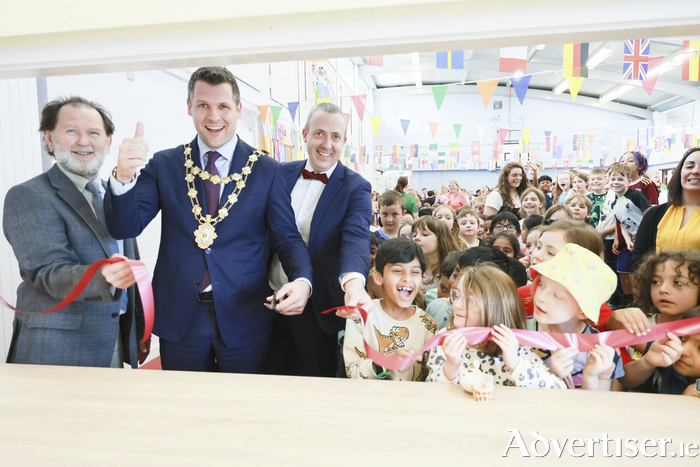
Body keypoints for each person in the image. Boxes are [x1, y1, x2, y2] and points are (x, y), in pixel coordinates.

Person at [104, 66, 313, 373]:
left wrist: (303, 282)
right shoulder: (165, 164)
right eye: (203, 105)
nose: (214, 117)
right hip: (180, 317)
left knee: (241, 410)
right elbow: (125, 226)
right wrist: (123, 177)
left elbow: (288, 239)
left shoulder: (266, 170)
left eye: (223, 107)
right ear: (190, 107)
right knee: (185, 411)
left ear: (239, 110)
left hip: (245, 314)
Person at [3, 96, 149, 368]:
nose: (83, 141)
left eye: (93, 133)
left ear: (107, 140)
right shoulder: (28, 195)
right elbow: (48, 272)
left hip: (114, 338)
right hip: (57, 350)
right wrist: (102, 275)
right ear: (49, 138)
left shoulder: (117, 192)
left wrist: (138, 328)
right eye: (71, 131)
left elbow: (131, 268)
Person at [265, 102, 372, 377]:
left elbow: (356, 238)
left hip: (319, 309)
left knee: (318, 385)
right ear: (305, 134)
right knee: (266, 381)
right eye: (319, 133)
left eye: (336, 136)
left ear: (344, 142)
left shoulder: (356, 187)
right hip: (267, 301)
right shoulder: (278, 173)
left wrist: (354, 284)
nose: (327, 144)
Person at [425, 264, 566, 388]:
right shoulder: (445, 339)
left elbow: (557, 389)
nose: (456, 305)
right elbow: (429, 395)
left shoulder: (513, 346)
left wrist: (515, 363)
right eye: (456, 295)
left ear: (495, 308)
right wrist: (450, 368)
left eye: (469, 300)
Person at [528, 244, 624, 390]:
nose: (541, 297)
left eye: (556, 296)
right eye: (541, 285)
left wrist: (590, 376)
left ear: (583, 312)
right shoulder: (520, 331)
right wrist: (550, 375)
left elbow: (596, 408)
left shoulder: (602, 352)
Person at [343, 237, 437, 381]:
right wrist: (385, 364)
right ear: (379, 277)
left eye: (415, 272)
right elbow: (353, 371)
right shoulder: (360, 317)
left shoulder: (427, 325)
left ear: (422, 280)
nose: (408, 278)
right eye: (398, 270)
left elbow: (431, 376)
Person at [610, 250, 700, 393]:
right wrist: (616, 316)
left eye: (678, 283)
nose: (663, 289)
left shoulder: (695, 334)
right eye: (656, 281)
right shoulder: (640, 321)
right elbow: (625, 379)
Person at [519, 220, 615, 330]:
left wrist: (617, 321)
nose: (536, 255)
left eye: (551, 253)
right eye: (539, 247)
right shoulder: (521, 295)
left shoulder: (596, 309)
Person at [632, 147, 700, 270]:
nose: (695, 171)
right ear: (680, 172)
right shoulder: (655, 214)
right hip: (658, 287)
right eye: (690, 166)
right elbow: (638, 258)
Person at [608, 163, 651, 295]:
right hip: (633, 240)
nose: (616, 182)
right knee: (625, 271)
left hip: (645, 240)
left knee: (642, 271)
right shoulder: (614, 203)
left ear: (629, 181)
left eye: (620, 179)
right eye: (613, 179)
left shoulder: (636, 195)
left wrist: (643, 238)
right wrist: (627, 241)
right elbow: (622, 225)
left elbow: (649, 215)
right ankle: (630, 300)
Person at [412, 216, 459, 306]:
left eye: (425, 234)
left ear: (441, 239)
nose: (416, 238)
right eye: (414, 235)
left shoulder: (455, 269)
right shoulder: (410, 268)